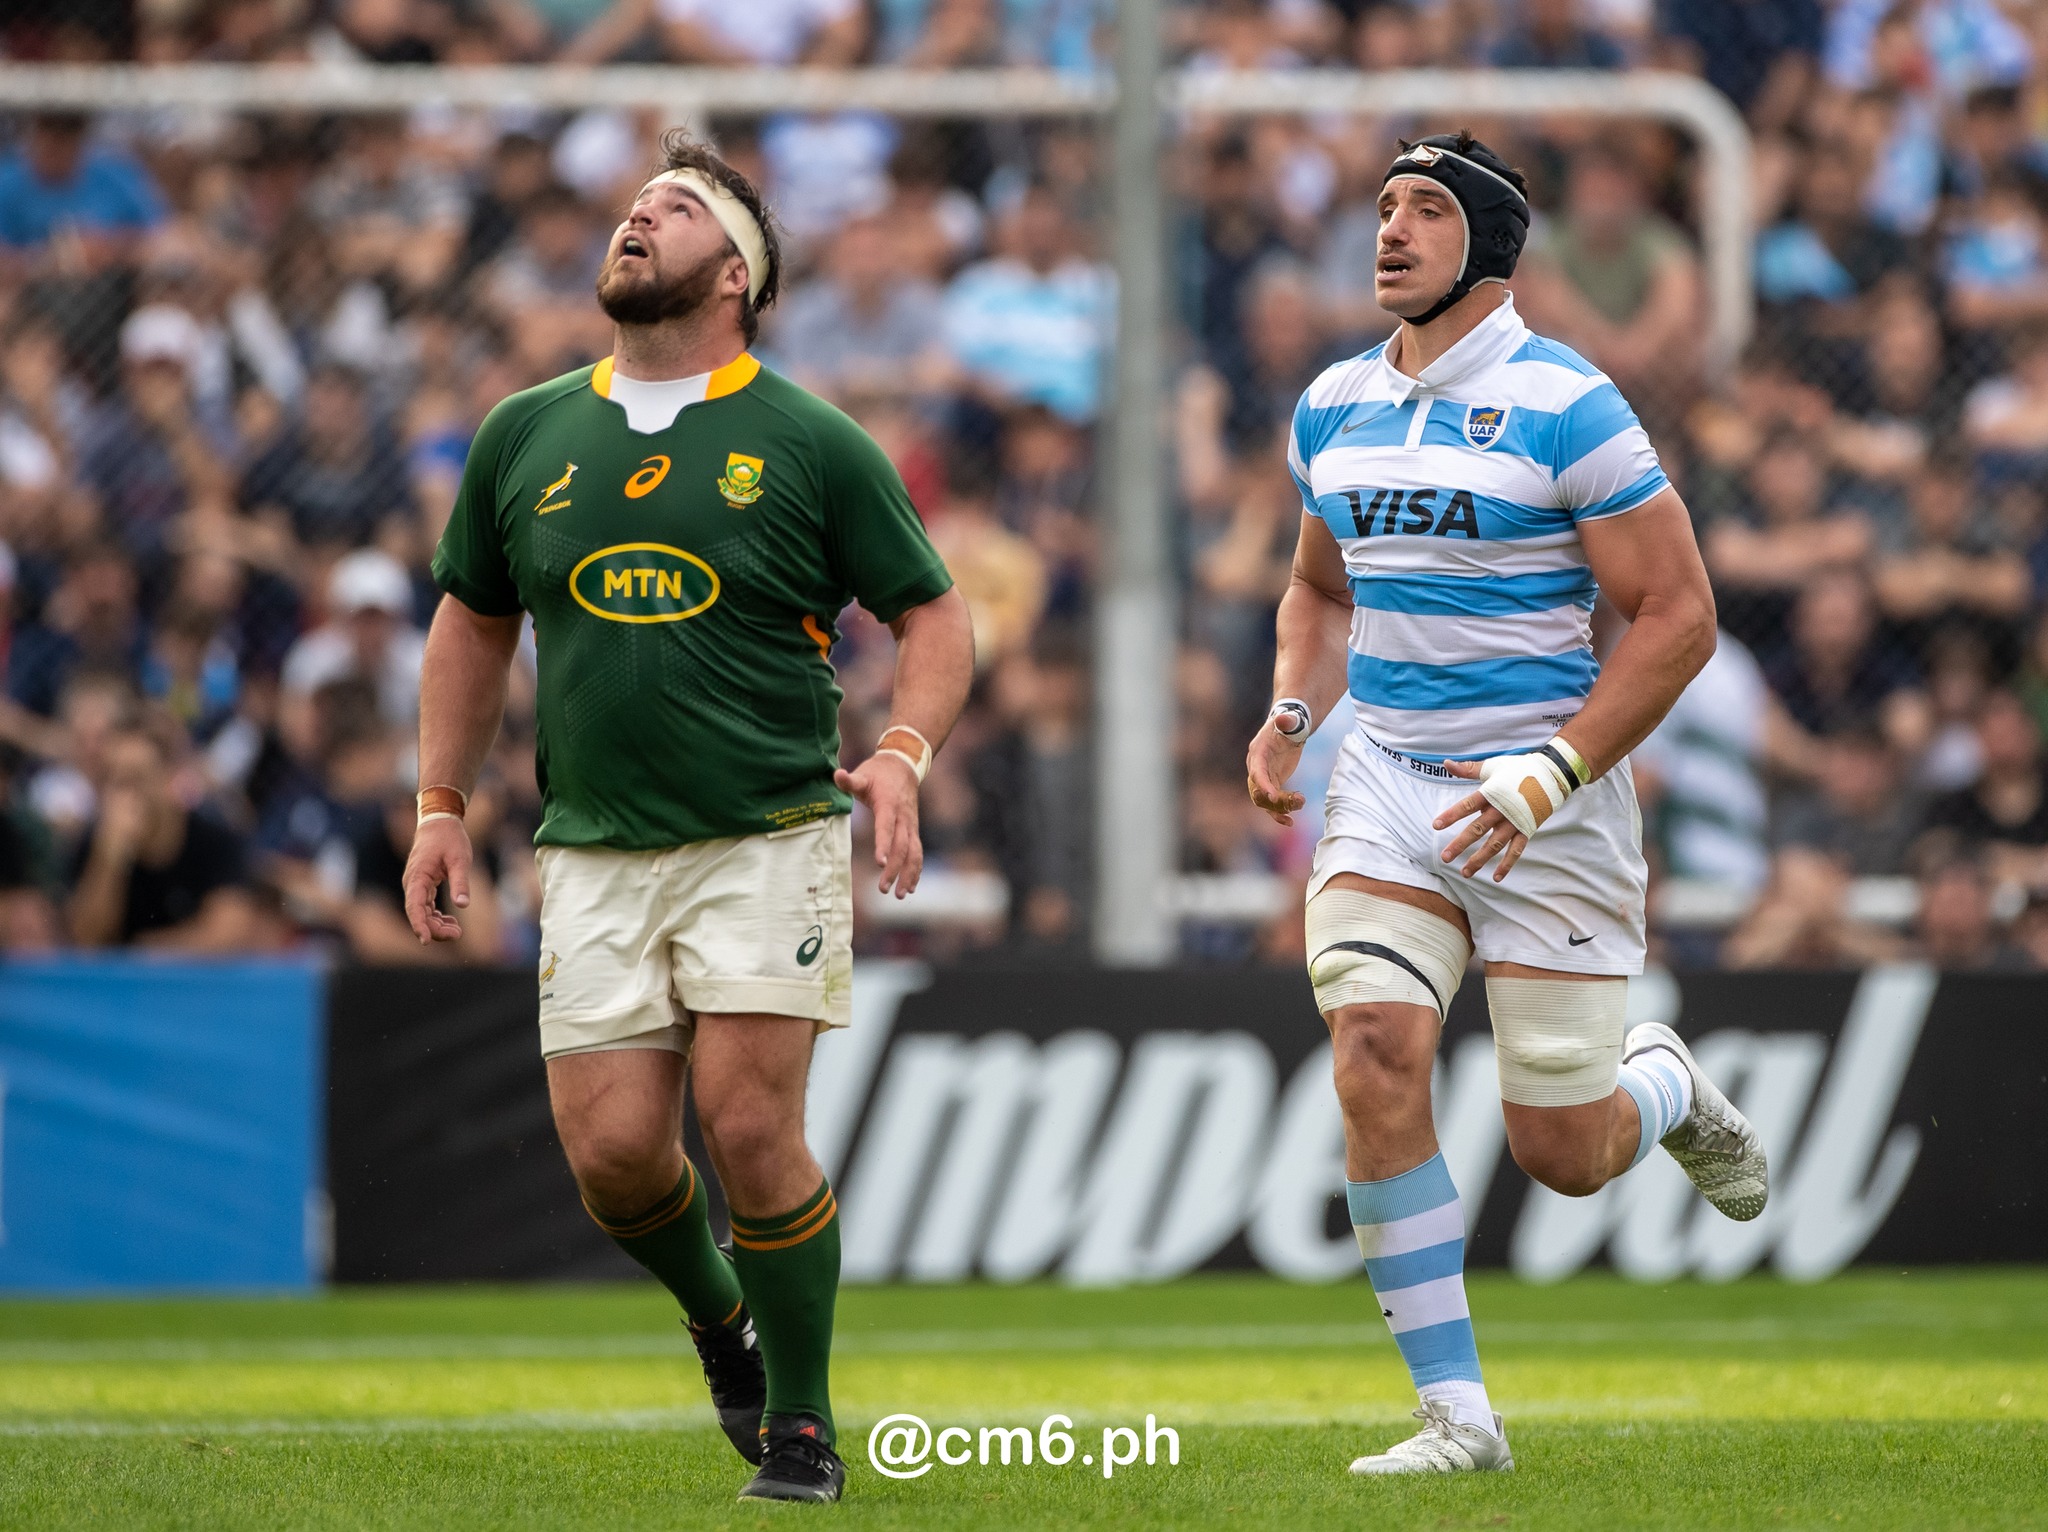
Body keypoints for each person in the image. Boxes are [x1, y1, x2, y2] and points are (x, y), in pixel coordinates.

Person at [405, 130, 973, 1504]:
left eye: (672, 209)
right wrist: (438, 804)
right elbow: (472, 625)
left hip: (766, 831)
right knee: (612, 1160)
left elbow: (937, 614)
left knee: (748, 1122)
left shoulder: (807, 438)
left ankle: (804, 1426)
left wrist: (900, 751)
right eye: (631, 205)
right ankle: (722, 1320)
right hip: (591, 846)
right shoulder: (525, 432)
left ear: (735, 274)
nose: (633, 220)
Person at [1244, 132, 1763, 1476]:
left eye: (1425, 210)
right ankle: (1457, 1421)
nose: (1390, 233)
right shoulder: (1334, 402)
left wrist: (1551, 770)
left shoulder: (1570, 401)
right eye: (1382, 209)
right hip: (1390, 784)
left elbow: (1679, 617)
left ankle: (1660, 1088)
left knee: (1564, 1154)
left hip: (1549, 804)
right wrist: (1295, 712)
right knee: (1373, 1052)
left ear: (1490, 242)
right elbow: (1316, 588)